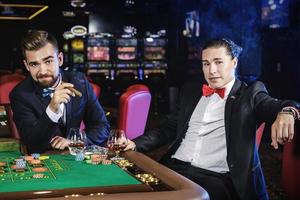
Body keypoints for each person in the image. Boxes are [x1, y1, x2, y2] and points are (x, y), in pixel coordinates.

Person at [125, 38, 300, 200]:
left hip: (214, 177)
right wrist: (135, 144)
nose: (211, 70)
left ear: (234, 63)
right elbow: (167, 129)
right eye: (206, 64)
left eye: (218, 62)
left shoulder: (250, 94)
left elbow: (279, 104)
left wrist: (287, 111)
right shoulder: (191, 90)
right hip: (175, 166)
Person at [10, 30, 110, 154]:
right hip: (44, 161)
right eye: (34, 64)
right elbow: (33, 144)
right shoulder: (20, 95)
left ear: (60, 59)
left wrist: (76, 142)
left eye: (48, 61)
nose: (43, 71)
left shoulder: (80, 82)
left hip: (75, 157)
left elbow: (101, 126)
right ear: (26, 66)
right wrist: (52, 109)